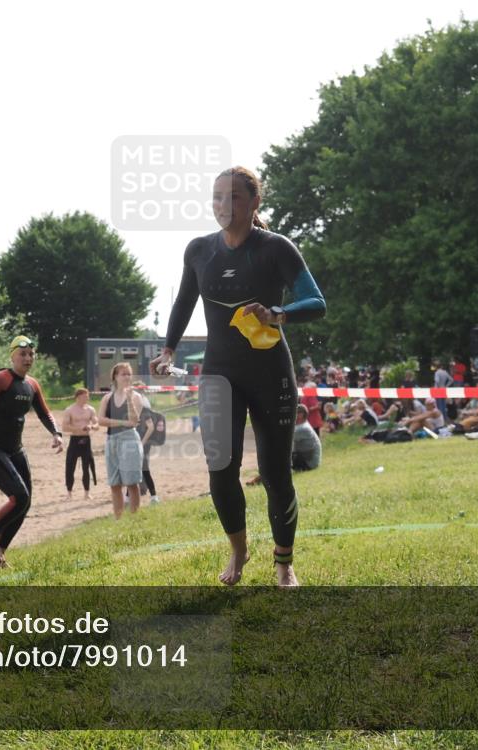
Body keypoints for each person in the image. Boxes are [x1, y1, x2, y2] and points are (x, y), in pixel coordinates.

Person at [150, 166, 326, 587]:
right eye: (216, 198)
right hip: (220, 373)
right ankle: (238, 548)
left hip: (270, 374)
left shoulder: (276, 248)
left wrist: (278, 313)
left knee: (274, 472)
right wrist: (169, 347)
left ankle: (284, 563)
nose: (223, 207)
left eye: (233, 198)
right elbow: (184, 302)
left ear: (254, 204)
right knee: (220, 468)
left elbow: (315, 301)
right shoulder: (198, 250)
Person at [0, 336, 63, 568]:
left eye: (31, 354)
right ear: (12, 355)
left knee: (25, 502)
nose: (28, 358)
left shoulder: (31, 385)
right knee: (19, 497)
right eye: (23, 354)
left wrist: (56, 433)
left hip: (15, 450)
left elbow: (44, 413)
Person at [98, 362, 146, 518]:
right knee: (114, 483)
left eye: (128, 374)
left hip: (129, 440)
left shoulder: (136, 396)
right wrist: (121, 422)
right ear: (115, 377)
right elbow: (100, 420)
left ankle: (134, 518)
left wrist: (129, 399)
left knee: (132, 482)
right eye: (123, 374)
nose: (126, 376)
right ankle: (118, 519)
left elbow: (134, 420)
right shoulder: (107, 398)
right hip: (111, 439)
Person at [62, 387, 99, 501]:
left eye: (87, 397)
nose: (86, 399)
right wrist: (78, 428)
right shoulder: (70, 410)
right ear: (78, 397)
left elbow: (97, 424)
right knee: (70, 466)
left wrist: (91, 426)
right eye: (84, 397)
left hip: (86, 440)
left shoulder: (90, 409)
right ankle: (69, 492)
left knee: (86, 467)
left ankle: (87, 493)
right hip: (74, 439)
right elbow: (64, 427)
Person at [135, 383, 161, 505]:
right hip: (133, 442)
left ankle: (153, 495)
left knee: (144, 468)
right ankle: (130, 496)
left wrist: (142, 442)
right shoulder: (130, 409)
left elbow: (150, 427)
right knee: (133, 468)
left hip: (143, 442)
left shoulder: (145, 409)